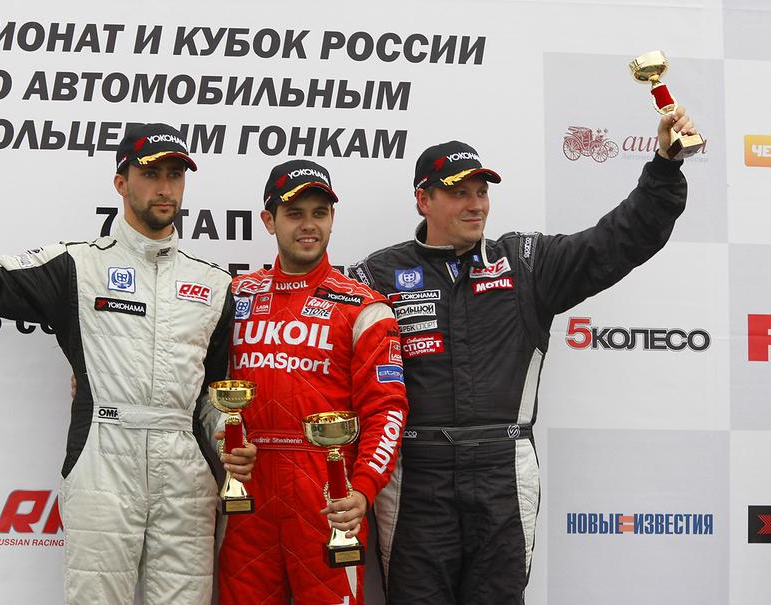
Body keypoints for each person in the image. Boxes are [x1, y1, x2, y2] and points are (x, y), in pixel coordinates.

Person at [0, 123, 256, 605]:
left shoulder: (213, 284)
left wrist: (229, 438)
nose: (165, 188)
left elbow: (213, 395)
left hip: (186, 472)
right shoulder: (76, 266)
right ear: (121, 182)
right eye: (151, 174)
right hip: (102, 458)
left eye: (175, 175)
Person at [349, 108, 695, 605]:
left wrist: (664, 164)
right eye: (460, 193)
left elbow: (620, 239)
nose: (476, 205)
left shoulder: (524, 263)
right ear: (424, 200)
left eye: (482, 192)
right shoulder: (377, 275)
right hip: (414, 474)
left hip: (502, 472)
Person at [218, 160, 409, 605]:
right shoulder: (235, 296)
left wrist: (362, 488)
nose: (309, 225)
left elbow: (387, 411)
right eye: (295, 213)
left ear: (332, 219)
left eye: (319, 213)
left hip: (328, 494)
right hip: (248, 491)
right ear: (269, 220)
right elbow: (193, 376)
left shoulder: (364, 308)